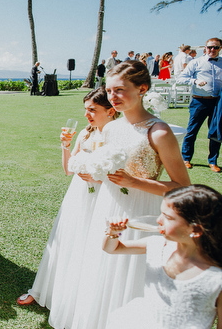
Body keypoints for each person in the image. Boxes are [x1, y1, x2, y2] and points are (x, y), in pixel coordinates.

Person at [69, 60, 190, 329]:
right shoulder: (111, 128)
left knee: (133, 273)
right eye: (110, 91)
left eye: (120, 90)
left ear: (142, 88)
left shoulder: (159, 132)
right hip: (107, 205)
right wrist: (91, 171)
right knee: (101, 267)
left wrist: (134, 182)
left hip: (142, 211)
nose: (113, 97)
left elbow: (182, 186)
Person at [17, 88, 118, 329]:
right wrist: (65, 146)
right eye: (85, 109)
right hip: (78, 195)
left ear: (111, 111)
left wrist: (99, 176)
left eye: (92, 110)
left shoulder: (117, 138)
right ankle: (47, 291)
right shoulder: (85, 133)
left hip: (103, 197)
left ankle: (83, 304)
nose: (87, 115)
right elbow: (68, 170)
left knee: (92, 246)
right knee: (66, 242)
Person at [103, 185, 222, 329]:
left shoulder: (215, 278)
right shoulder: (158, 246)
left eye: (168, 217)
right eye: (161, 213)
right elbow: (113, 248)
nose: (159, 220)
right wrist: (113, 233)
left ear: (195, 229)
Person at [177, 38, 222, 173]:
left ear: (220, 48)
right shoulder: (196, 62)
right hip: (199, 101)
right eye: (210, 47)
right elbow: (180, 79)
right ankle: (186, 159)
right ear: (205, 48)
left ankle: (213, 161)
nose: (212, 50)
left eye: (215, 47)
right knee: (192, 131)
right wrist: (195, 81)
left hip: (217, 103)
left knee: (216, 132)